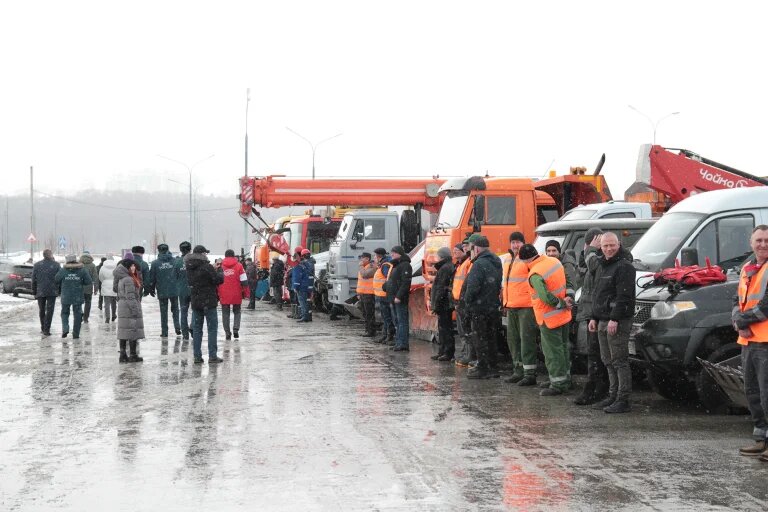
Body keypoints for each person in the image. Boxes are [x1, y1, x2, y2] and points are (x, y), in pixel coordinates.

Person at [588, 232, 636, 413]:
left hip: (617, 321)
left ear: (619, 244)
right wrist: (594, 317)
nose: (609, 249)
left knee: (619, 361)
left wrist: (615, 318)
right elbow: (598, 294)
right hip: (602, 319)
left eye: (612, 245)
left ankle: (623, 399)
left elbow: (624, 296)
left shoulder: (625, 267)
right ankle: (612, 395)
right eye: (605, 246)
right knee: (607, 360)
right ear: (600, 247)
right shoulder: (602, 265)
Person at [518, 244, 573, 395]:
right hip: (564, 315)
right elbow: (568, 281)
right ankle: (565, 379)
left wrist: (560, 303)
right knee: (563, 348)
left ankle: (558, 384)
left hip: (549, 318)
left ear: (525, 260)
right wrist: (568, 298)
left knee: (552, 352)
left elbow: (545, 297)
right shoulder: (554, 262)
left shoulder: (535, 274)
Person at [733, 225, 768, 460]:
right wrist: (738, 320)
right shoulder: (747, 268)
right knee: (753, 392)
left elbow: (766, 306)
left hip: (765, 341)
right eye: (759, 240)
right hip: (749, 340)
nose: (763, 244)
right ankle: (761, 439)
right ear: (751, 243)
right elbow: (736, 300)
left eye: (767, 240)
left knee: (767, 393)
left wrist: (742, 321)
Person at [573, 228, 610, 405]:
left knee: (597, 354)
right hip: (591, 314)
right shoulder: (591, 259)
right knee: (593, 354)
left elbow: (594, 267)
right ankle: (595, 389)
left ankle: (597, 390)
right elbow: (583, 270)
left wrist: (591, 250)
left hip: (598, 314)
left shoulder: (601, 261)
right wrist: (588, 251)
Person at [501, 232, 540, 386]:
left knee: (527, 340)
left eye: (518, 242)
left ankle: (529, 374)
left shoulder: (527, 258)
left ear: (523, 243)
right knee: (513, 340)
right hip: (511, 306)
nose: (515, 245)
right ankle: (518, 370)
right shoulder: (507, 259)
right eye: (513, 242)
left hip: (526, 306)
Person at [463, 235, 502, 379]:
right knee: (491, 338)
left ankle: (483, 368)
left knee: (480, 338)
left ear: (476, 248)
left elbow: (473, 288)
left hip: (479, 308)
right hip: (492, 306)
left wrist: (467, 302)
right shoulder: (496, 261)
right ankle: (493, 367)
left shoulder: (478, 264)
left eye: (471, 248)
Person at [186, 245, 224, 364]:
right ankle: (212, 356)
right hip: (209, 301)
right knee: (212, 329)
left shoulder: (189, 267)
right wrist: (219, 271)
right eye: (205, 253)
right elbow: (218, 280)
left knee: (197, 329)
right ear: (202, 254)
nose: (206, 255)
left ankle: (197, 356)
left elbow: (191, 281)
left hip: (196, 301)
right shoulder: (207, 267)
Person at [54, 254, 92, 339]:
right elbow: (88, 281)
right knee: (78, 314)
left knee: (64, 312)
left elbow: (56, 279)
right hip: (77, 295)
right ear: (75, 260)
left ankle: (65, 328)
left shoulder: (63, 270)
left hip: (66, 295)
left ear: (67, 260)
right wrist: (80, 282)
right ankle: (76, 334)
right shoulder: (82, 270)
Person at [114, 259, 145, 363]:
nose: (133, 268)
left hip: (123, 306)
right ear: (126, 267)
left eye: (134, 266)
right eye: (131, 266)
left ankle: (123, 355)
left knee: (124, 331)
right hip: (129, 307)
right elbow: (130, 297)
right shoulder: (128, 279)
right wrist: (135, 310)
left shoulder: (122, 278)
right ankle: (133, 354)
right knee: (132, 330)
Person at [147, 243, 181, 338]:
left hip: (162, 290)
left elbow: (152, 278)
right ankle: (177, 327)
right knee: (175, 309)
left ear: (159, 251)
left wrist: (151, 289)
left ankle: (164, 331)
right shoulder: (175, 261)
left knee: (163, 311)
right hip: (174, 289)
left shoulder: (155, 263)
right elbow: (179, 275)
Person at [384, 245, 412, 352]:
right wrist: (385, 286)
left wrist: (399, 296)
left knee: (402, 321)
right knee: (397, 321)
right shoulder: (396, 265)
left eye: (394, 253)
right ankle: (398, 342)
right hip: (393, 297)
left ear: (399, 253)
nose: (392, 255)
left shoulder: (405, 265)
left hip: (399, 298)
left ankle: (403, 343)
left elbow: (405, 283)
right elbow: (393, 281)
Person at [429, 246, 455, 361]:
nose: (436, 258)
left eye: (438, 256)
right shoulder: (446, 267)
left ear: (442, 256)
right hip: (444, 303)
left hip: (444, 303)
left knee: (445, 328)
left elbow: (441, 288)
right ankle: (443, 351)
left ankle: (447, 352)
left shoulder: (445, 268)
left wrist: (436, 303)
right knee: (443, 328)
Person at [453, 239, 475, 367]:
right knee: (462, 330)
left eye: (467, 246)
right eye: (464, 246)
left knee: (466, 330)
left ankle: (469, 355)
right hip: (459, 300)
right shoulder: (461, 264)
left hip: (464, 301)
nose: (465, 248)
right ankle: (466, 353)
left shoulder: (468, 263)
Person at [219, 249, 249, 340]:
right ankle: (236, 329)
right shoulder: (239, 266)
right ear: (234, 256)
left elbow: (217, 280)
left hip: (224, 293)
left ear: (225, 256)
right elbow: (244, 281)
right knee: (237, 311)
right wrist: (245, 292)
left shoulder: (220, 266)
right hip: (236, 292)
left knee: (225, 313)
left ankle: (227, 332)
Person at [32, 249, 61, 336]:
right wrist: (59, 290)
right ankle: (46, 329)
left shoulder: (37, 265)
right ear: (51, 255)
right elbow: (60, 279)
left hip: (40, 291)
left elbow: (33, 279)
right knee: (50, 310)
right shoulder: (56, 265)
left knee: (42, 310)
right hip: (52, 291)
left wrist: (34, 291)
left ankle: (43, 327)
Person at [373, 248, 395, 344]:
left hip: (384, 295)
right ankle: (385, 335)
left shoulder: (385, 265)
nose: (374, 258)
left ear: (379, 256)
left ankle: (389, 336)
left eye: (375, 256)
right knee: (385, 317)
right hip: (381, 294)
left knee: (387, 317)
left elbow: (388, 278)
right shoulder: (383, 264)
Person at [174, 241, 192, 341]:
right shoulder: (193, 260)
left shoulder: (177, 262)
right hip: (194, 289)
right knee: (196, 311)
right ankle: (193, 327)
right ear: (190, 249)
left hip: (182, 290)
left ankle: (185, 334)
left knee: (183, 312)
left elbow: (174, 276)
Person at [357, 252, 377, 338]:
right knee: (365, 313)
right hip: (363, 294)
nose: (361, 260)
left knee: (369, 314)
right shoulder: (364, 268)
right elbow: (360, 282)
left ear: (367, 259)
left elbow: (365, 275)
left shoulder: (372, 267)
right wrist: (358, 293)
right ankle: (367, 330)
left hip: (369, 294)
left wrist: (361, 266)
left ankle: (371, 331)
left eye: (362, 258)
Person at [292, 248, 314, 323]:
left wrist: (295, 287)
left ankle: (304, 316)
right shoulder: (308, 264)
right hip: (308, 286)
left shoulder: (299, 265)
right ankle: (307, 316)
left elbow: (297, 277)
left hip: (302, 287)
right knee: (307, 302)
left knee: (302, 302)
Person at [79, 252, 99, 323]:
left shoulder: (79, 265)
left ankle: (80, 313)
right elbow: (95, 277)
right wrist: (96, 289)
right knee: (88, 302)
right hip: (88, 287)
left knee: (78, 302)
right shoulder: (92, 265)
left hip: (79, 287)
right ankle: (86, 318)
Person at [99, 255, 118, 323]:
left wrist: (104, 281)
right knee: (114, 302)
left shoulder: (103, 267)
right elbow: (117, 276)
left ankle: (107, 317)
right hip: (114, 285)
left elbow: (100, 277)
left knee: (106, 303)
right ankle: (113, 315)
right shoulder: (116, 267)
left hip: (105, 285)